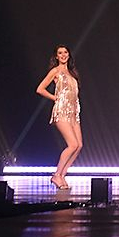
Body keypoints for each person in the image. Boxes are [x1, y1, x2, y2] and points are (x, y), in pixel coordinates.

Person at [36, 45, 82, 191]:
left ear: (69, 54)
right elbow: (40, 89)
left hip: (74, 112)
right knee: (72, 144)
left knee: (79, 145)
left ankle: (62, 175)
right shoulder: (55, 71)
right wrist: (55, 98)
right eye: (60, 53)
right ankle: (57, 175)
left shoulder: (72, 73)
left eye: (65, 52)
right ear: (56, 56)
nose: (63, 55)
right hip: (61, 110)